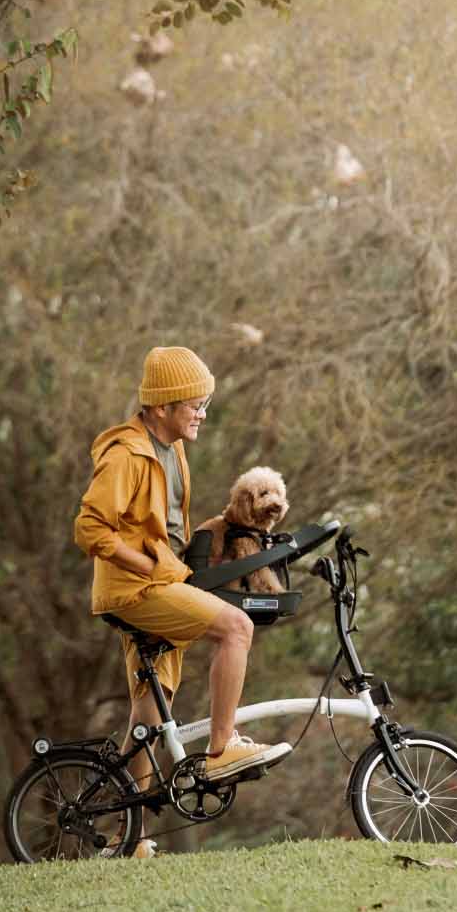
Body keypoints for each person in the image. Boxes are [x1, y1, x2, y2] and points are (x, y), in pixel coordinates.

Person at [74, 345, 290, 856]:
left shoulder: (172, 451)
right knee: (237, 628)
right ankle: (221, 747)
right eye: (194, 404)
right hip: (138, 589)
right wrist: (150, 568)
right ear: (163, 406)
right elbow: (90, 529)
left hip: (166, 581)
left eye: (203, 404)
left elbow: (165, 528)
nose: (201, 414)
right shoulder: (128, 455)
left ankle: (127, 838)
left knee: (149, 715)